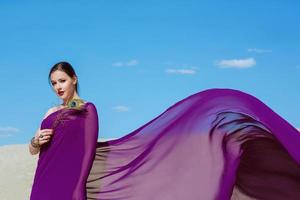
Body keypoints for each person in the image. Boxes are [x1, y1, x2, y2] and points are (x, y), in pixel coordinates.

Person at [30, 61, 300, 200]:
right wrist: (34, 140)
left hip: (67, 185)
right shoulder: (49, 113)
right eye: (53, 83)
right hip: (43, 179)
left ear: (74, 79)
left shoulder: (87, 110)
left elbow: (87, 152)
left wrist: (78, 189)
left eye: (62, 80)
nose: (58, 87)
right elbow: (33, 150)